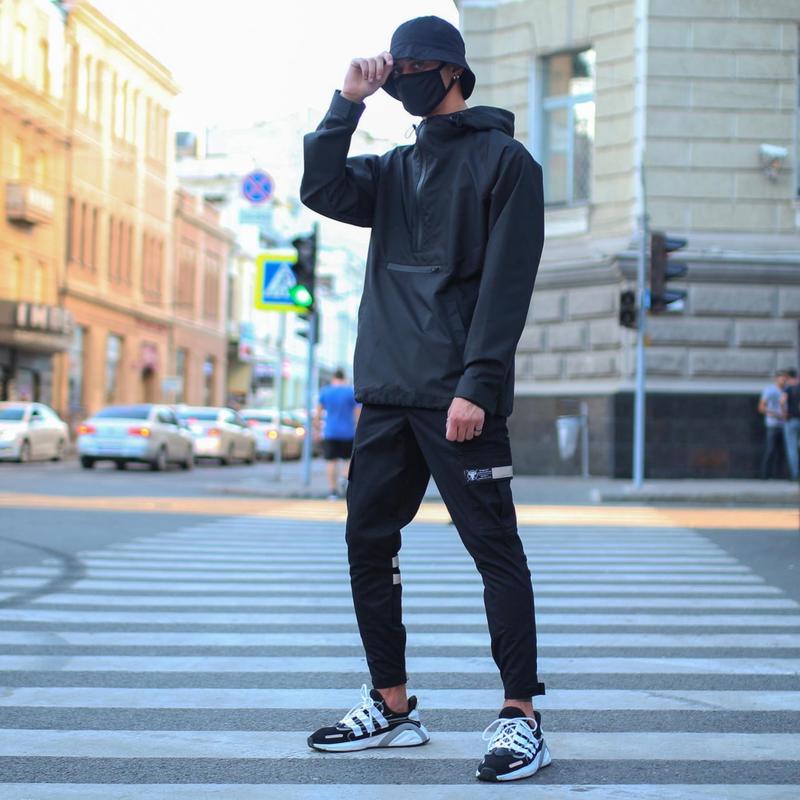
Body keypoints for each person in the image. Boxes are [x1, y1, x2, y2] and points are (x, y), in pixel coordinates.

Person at [300, 16, 548, 783]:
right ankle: (392, 705)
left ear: (449, 72)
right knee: (367, 541)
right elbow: (320, 187)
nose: (400, 78)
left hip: (457, 397)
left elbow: (507, 284)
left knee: (493, 548)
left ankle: (521, 716)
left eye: (411, 68)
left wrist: (479, 384)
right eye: (393, 68)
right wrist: (348, 102)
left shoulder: (507, 163)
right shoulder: (392, 170)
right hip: (386, 392)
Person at [315, 368, 360, 498]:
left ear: (333, 378)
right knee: (349, 459)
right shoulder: (350, 392)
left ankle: (332, 491)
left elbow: (318, 413)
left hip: (330, 432)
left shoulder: (326, 391)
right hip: (348, 432)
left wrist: (317, 429)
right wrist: (358, 428)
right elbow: (357, 413)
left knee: (331, 461)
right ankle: (344, 477)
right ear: (343, 378)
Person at [759, 370, 787, 479]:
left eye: (784, 378)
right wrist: (774, 414)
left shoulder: (787, 390)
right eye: (781, 377)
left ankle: (780, 475)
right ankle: (765, 474)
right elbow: (761, 407)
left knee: (783, 451)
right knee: (770, 449)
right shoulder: (769, 390)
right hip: (772, 424)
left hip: (785, 424)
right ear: (776, 379)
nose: (783, 380)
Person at [781, 368, 799, 480]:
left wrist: (784, 413)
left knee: (792, 448)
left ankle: (795, 474)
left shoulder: (787, 389)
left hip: (791, 420)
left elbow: (782, 402)